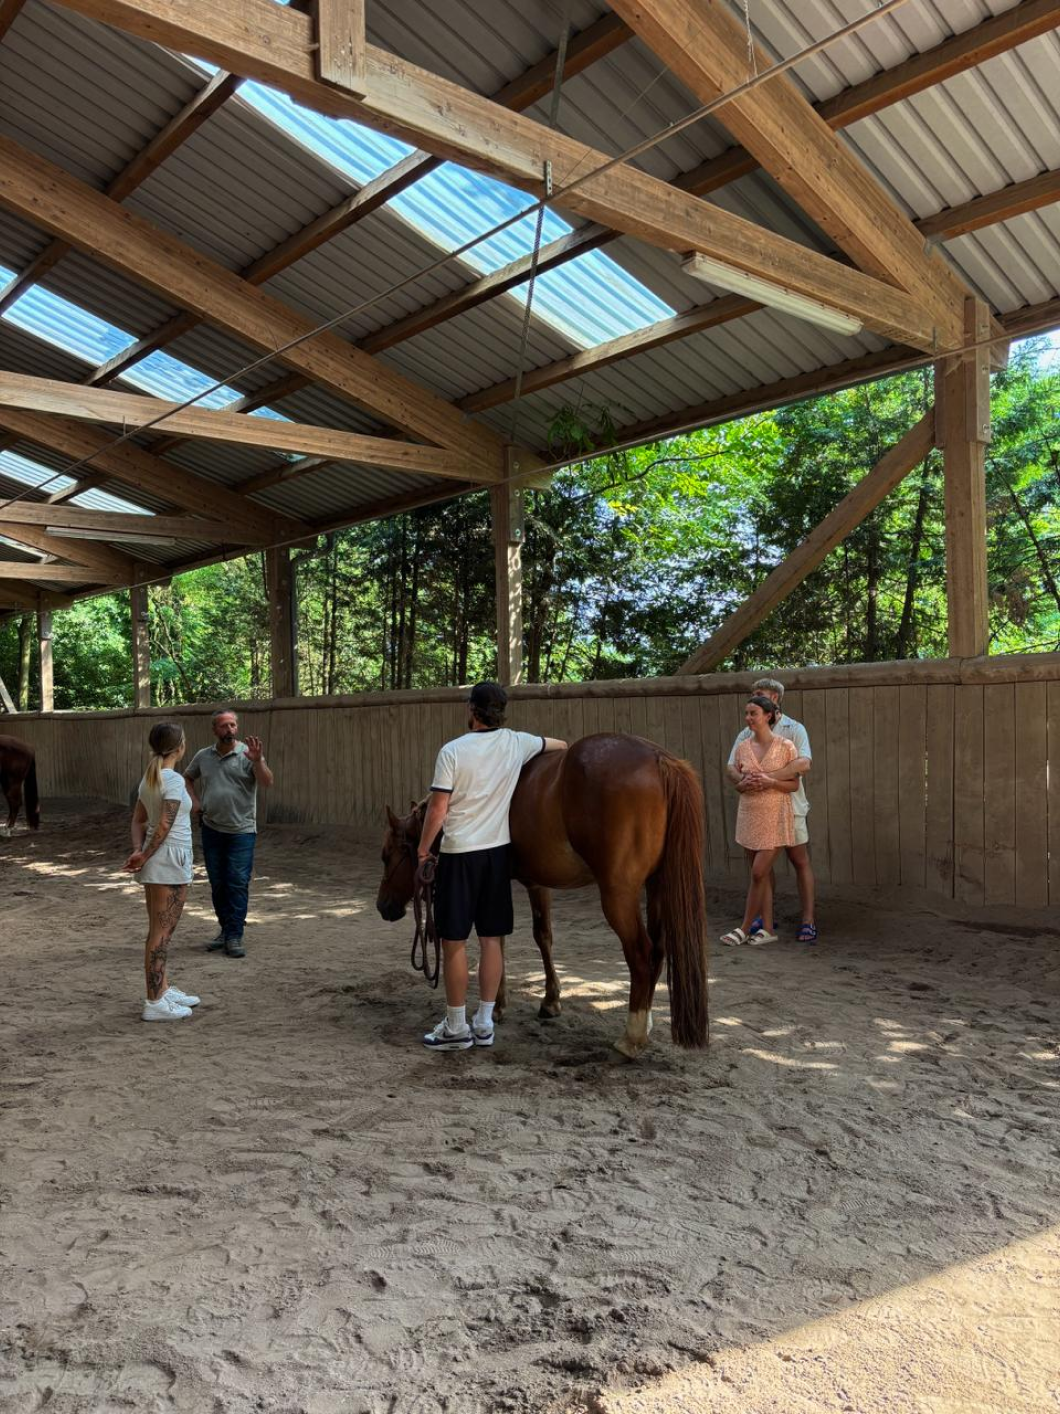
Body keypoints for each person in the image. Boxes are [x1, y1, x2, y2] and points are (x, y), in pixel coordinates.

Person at [417, 682, 567, 1051]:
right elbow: (560, 745)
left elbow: (437, 810)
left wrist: (423, 851)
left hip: (459, 854)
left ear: (472, 710)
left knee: (453, 942)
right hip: (497, 854)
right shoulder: (517, 743)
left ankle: (455, 1027)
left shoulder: (452, 751)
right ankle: (483, 1023)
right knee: (491, 940)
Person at [727, 675, 817, 943]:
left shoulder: (794, 730)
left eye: (759, 694)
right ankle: (766, 921)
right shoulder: (745, 735)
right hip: (757, 808)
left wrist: (770, 777)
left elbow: (804, 764)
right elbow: (731, 767)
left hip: (791, 806)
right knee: (759, 866)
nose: (752, 699)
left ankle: (808, 919)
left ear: (774, 699)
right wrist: (743, 780)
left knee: (799, 860)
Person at [123, 721, 200, 1022]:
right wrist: (143, 854)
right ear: (180, 747)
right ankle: (154, 1001)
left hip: (162, 860)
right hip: (168, 862)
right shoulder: (174, 780)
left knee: (161, 930)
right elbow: (164, 825)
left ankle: (163, 989)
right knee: (161, 933)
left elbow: (138, 821)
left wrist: (138, 851)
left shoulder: (150, 779)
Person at [184, 708, 273, 959]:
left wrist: (258, 761)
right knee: (218, 883)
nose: (230, 730)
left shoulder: (248, 754)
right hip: (211, 828)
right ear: (214, 730)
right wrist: (196, 803)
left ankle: (234, 935)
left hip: (242, 831)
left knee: (236, 881)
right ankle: (225, 930)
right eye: (224, 726)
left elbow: (267, 782)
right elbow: (187, 778)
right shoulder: (204, 756)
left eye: (233, 725)